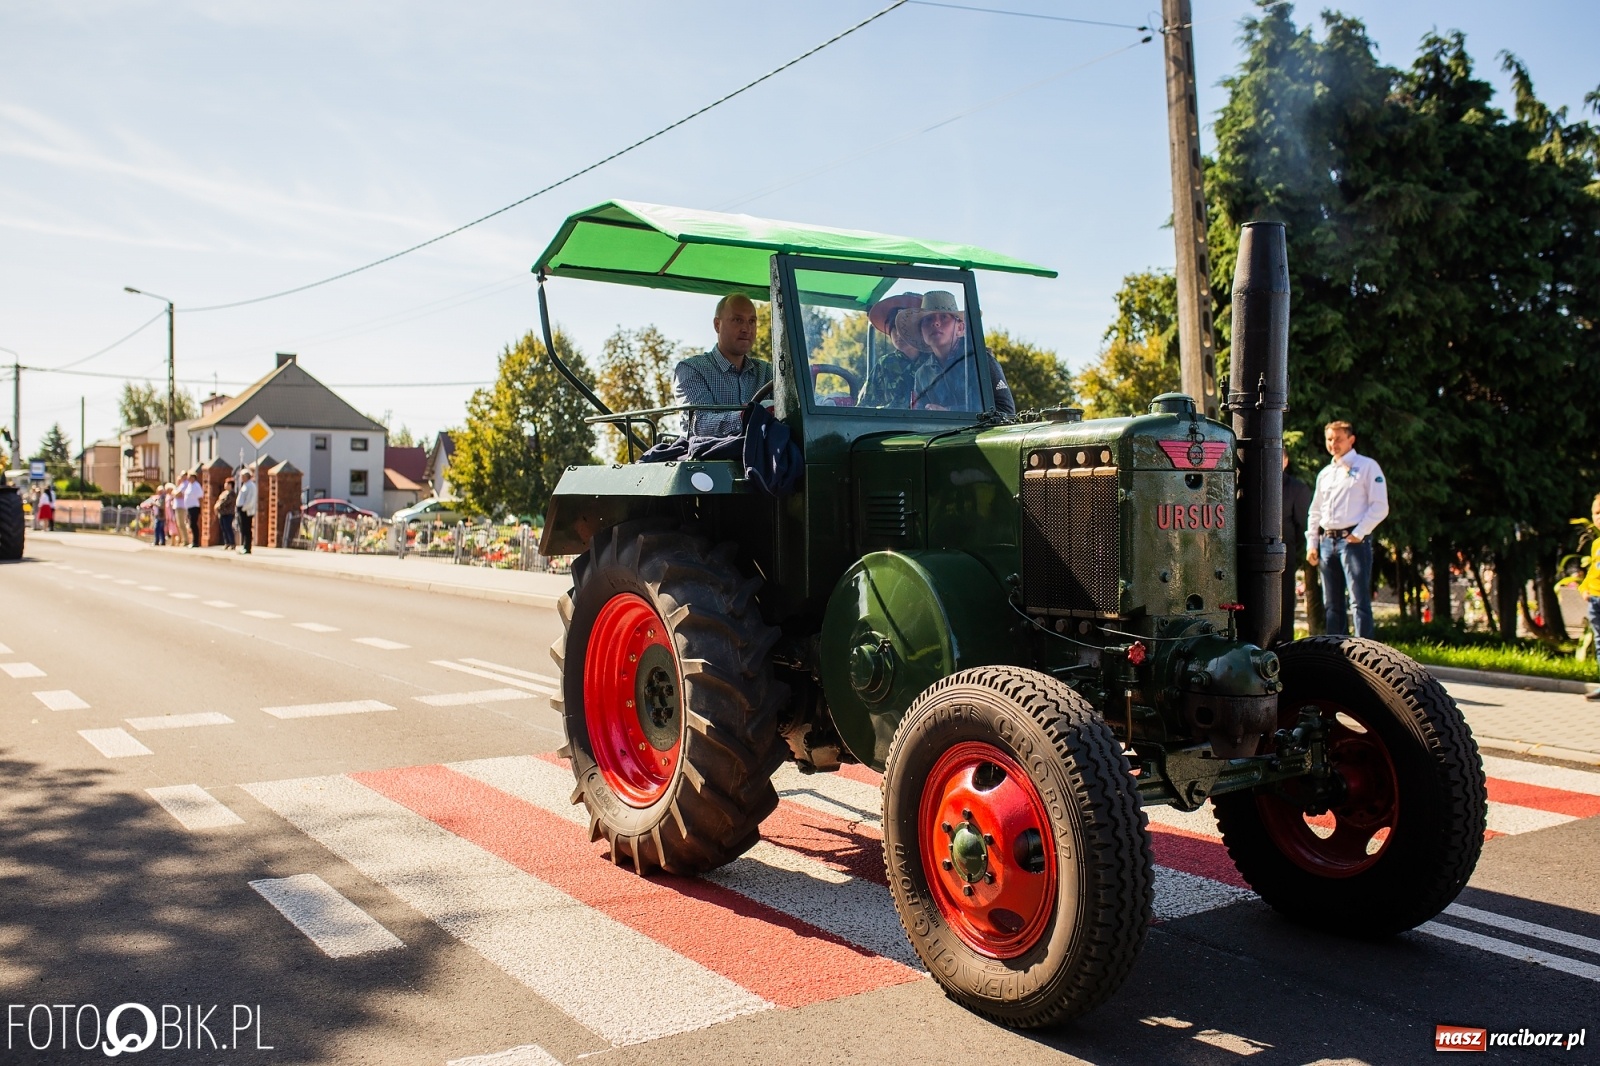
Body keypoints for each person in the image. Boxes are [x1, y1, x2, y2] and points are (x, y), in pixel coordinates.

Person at [1307, 420, 1389, 638]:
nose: (1333, 443)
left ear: (1351, 440)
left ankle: (1365, 652)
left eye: (1338, 439)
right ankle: (1336, 652)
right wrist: (1312, 544)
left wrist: (1358, 533)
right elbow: (1315, 511)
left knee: (1358, 601)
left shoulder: (1367, 466)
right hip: (1327, 543)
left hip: (1353, 542)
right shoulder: (1325, 473)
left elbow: (1380, 506)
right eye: (1330, 439)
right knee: (1332, 604)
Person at [878, 291, 1015, 417]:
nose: (936, 323)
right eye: (928, 319)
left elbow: (1006, 411)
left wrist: (949, 412)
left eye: (944, 317)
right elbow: (920, 418)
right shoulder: (922, 374)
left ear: (960, 328)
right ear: (921, 332)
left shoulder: (982, 362)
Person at [672, 293, 772, 438]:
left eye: (751, 321)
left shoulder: (768, 372)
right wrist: (745, 417)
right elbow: (699, 424)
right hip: (712, 459)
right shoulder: (691, 369)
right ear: (717, 325)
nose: (746, 329)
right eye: (738, 320)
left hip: (765, 458)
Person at [1281, 451, 1313, 642]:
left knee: (1284, 601)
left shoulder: (1298, 489)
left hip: (1285, 554)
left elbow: (1302, 525)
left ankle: (1284, 645)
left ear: (1286, 461)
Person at [236, 469, 258, 554]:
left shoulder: (251, 485)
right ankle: (244, 546)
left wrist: (244, 508)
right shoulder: (245, 485)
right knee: (243, 529)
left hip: (246, 511)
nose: (241, 478)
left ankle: (247, 547)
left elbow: (250, 499)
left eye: (243, 476)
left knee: (246, 529)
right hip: (242, 510)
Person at [215, 476, 238, 550]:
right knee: (224, 528)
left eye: (227, 484)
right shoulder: (224, 493)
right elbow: (219, 501)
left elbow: (225, 502)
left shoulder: (232, 494)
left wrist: (218, 506)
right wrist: (216, 506)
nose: (225, 485)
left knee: (228, 528)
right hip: (222, 513)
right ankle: (227, 543)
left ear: (231, 485)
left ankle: (232, 543)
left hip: (228, 513)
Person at [180, 472, 203, 547]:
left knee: (193, 524)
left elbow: (200, 497)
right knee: (191, 524)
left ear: (193, 478)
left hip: (194, 507)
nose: (188, 479)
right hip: (189, 508)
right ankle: (193, 541)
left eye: (190, 477)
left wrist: (200, 508)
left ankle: (195, 542)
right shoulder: (190, 485)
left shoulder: (197, 486)